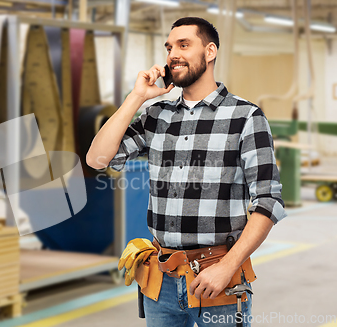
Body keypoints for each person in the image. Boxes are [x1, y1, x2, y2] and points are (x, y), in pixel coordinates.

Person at [86, 17, 287, 327]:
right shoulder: (157, 115)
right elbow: (97, 158)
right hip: (161, 279)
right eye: (169, 47)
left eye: (183, 45)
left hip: (218, 278)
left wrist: (226, 268)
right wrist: (136, 97)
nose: (172, 55)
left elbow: (268, 201)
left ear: (209, 52)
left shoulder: (245, 116)